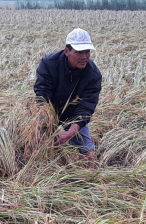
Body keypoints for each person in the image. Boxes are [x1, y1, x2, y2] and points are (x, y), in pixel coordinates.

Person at [33, 28, 102, 168]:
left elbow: (87, 106)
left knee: (88, 154)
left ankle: (87, 182)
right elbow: (42, 93)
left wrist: (71, 131)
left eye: (87, 51)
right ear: (67, 51)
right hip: (48, 111)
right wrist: (47, 123)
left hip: (74, 115)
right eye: (79, 52)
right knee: (38, 146)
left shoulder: (93, 75)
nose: (84, 56)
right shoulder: (49, 63)